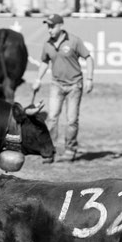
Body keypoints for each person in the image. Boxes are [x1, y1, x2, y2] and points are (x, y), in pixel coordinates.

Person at [32, 14, 94, 163]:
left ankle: (70, 149)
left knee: (71, 120)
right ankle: (50, 150)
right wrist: (38, 79)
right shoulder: (47, 44)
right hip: (56, 84)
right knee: (52, 118)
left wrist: (90, 78)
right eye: (48, 26)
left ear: (61, 26)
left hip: (74, 85)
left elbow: (88, 57)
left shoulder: (74, 41)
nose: (50, 30)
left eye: (52, 26)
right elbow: (44, 62)